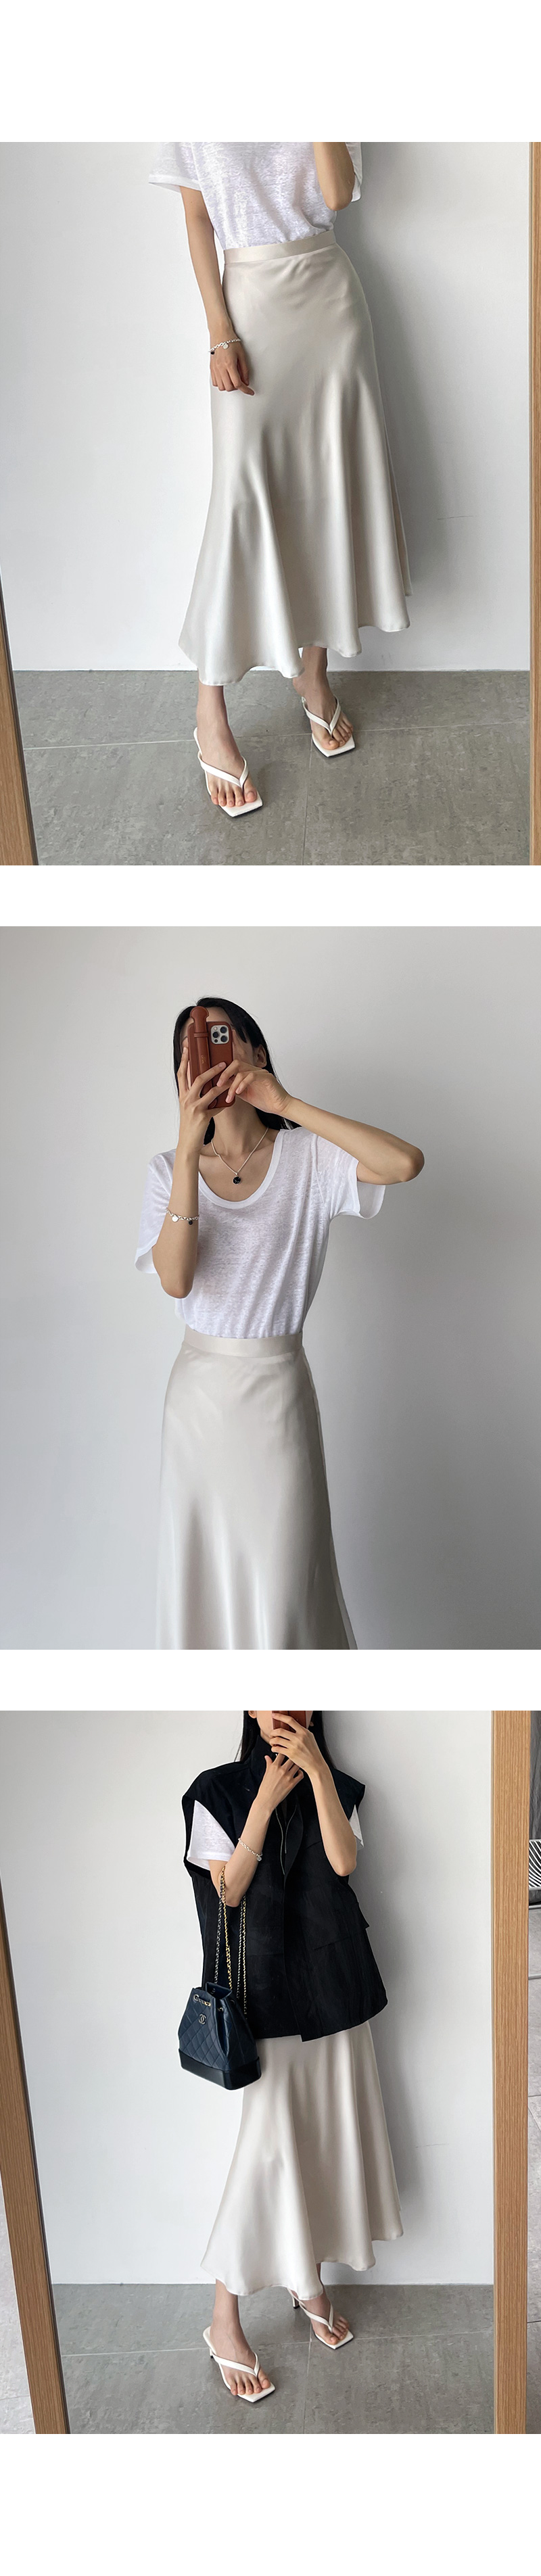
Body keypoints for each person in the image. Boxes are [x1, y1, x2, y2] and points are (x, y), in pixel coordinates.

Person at [135, 994, 424, 1646]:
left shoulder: (309, 1159)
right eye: (191, 1046)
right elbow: (177, 1280)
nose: (208, 1053)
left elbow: (404, 1164)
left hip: (278, 1393)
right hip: (198, 1404)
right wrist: (188, 1149)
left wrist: (285, 1103)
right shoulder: (168, 1171)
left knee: (284, 1581)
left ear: (256, 1050)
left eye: (222, 1036)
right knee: (202, 1577)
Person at [150, 142, 410, 813]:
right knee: (241, 502)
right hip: (249, 305)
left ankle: (313, 675)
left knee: (331, 489)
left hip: (329, 300)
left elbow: (336, 194)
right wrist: (219, 330)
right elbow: (198, 217)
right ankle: (209, 710)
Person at [183, 1710, 402, 2403]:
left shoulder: (338, 1785)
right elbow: (226, 1890)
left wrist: (314, 1774)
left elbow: (343, 1863)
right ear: (249, 1707)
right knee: (267, 2155)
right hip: (266, 2001)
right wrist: (265, 1803)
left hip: (335, 1989)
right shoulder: (214, 1790)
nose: (286, 1703)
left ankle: (308, 2286)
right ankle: (223, 2320)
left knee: (325, 2142)